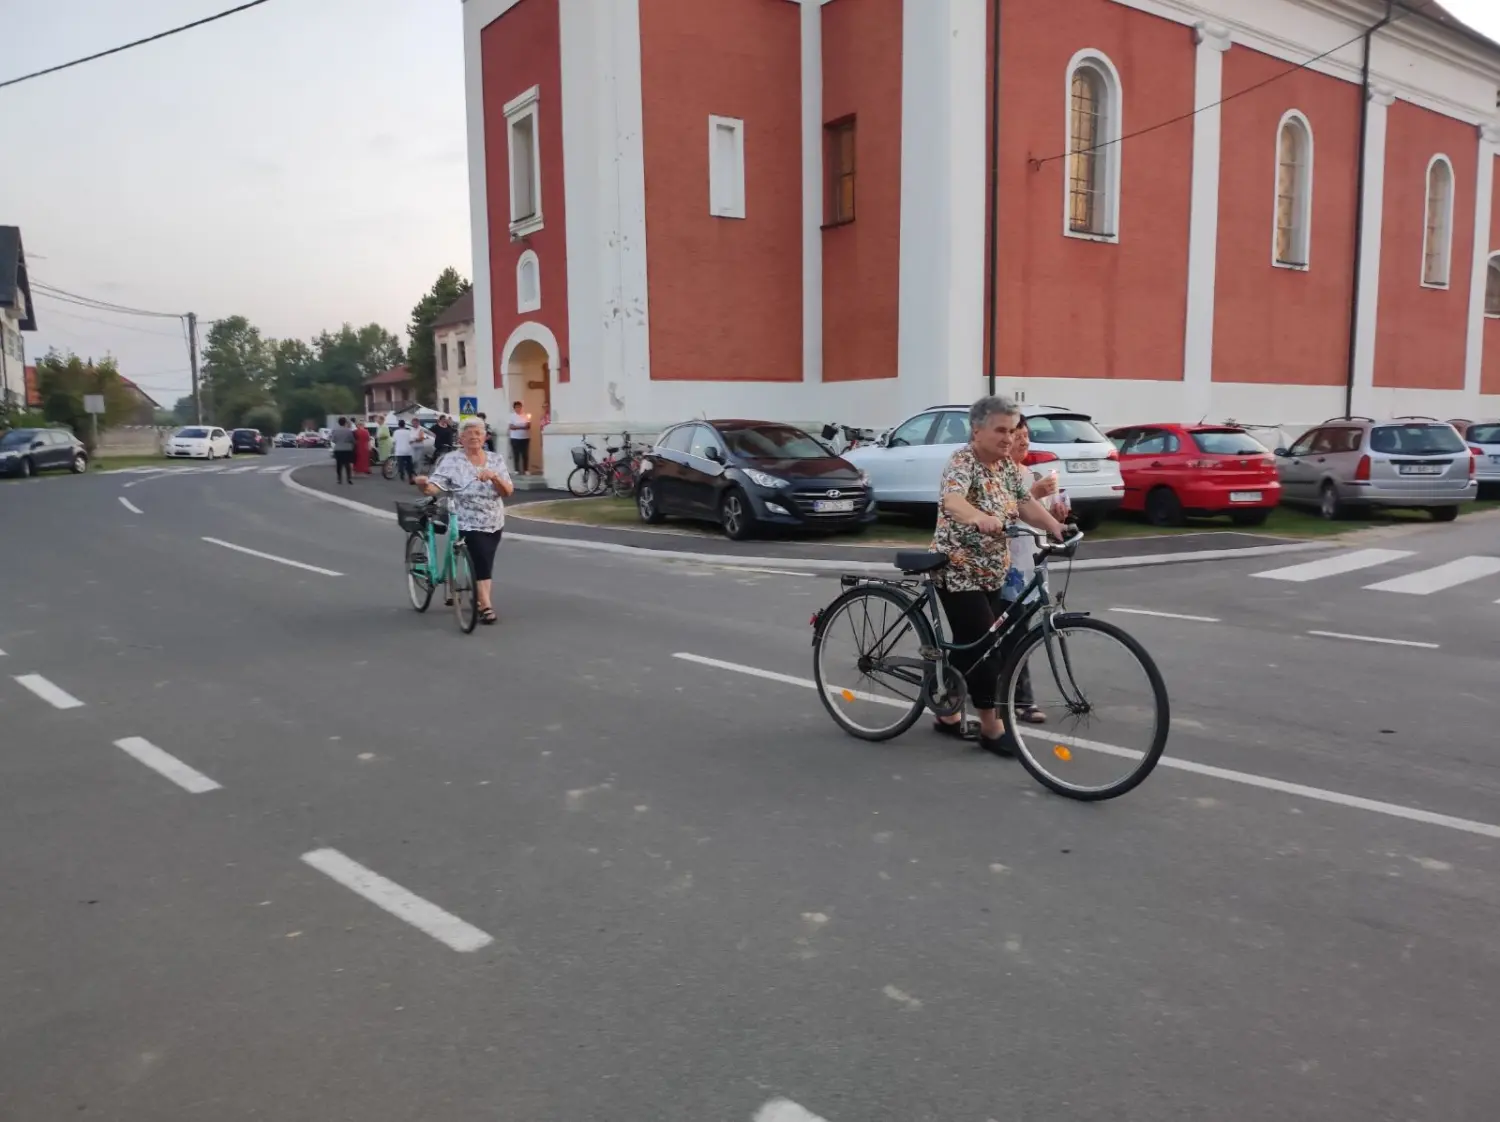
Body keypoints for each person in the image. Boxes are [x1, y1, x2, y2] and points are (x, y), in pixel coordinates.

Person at [930, 395, 1066, 756]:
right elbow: (953, 501)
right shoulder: (963, 461)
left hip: (993, 570)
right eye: (1000, 430)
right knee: (986, 645)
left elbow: (1024, 503)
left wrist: (1055, 526)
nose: (1008, 438)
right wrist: (977, 517)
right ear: (977, 430)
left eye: (1012, 429)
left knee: (969, 644)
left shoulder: (1005, 465)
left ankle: (947, 713)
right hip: (957, 568)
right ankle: (991, 727)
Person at [1002, 418, 1071, 726]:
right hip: (1006, 564)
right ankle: (1021, 700)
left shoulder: (1028, 473)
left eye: (1027, 436)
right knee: (1009, 631)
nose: (1023, 441)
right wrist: (1035, 492)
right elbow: (1005, 509)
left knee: (1017, 629)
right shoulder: (1000, 474)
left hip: (1030, 560)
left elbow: (1033, 513)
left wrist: (1056, 517)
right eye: (1018, 435)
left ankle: (1011, 695)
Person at [415, 417, 514, 625]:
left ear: (485, 437)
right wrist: (424, 485)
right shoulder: (451, 460)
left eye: (478, 433)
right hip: (465, 519)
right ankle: (485, 605)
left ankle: (479, 599)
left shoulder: (495, 460)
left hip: (493, 519)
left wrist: (494, 477)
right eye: (468, 434)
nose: (474, 438)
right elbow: (436, 486)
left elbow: (508, 491)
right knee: (480, 559)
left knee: (486, 561)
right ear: (461, 438)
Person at [330, 417, 356, 485]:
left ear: (339, 423)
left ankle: (339, 479)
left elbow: (333, 440)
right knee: (347, 465)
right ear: (345, 423)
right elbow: (352, 440)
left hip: (338, 449)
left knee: (339, 464)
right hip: (347, 449)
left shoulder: (335, 430)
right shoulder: (349, 431)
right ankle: (349, 478)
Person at [508, 401, 531, 474]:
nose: (518, 409)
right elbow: (511, 427)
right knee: (516, 454)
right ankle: (516, 470)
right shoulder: (511, 416)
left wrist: (517, 426)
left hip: (525, 438)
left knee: (525, 454)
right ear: (514, 408)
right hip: (515, 438)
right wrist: (522, 426)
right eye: (516, 407)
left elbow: (528, 426)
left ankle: (526, 469)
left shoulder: (526, 415)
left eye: (519, 407)